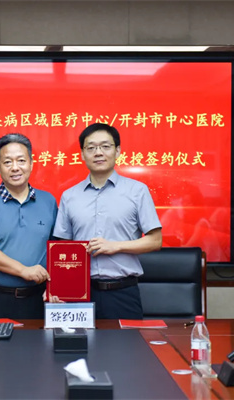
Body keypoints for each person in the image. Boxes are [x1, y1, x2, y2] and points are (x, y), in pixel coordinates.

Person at [53, 123, 162, 319]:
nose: (98, 153)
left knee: (127, 341)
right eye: (91, 148)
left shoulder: (137, 191)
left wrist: (116, 246)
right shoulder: (69, 196)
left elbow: (155, 240)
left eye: (105, 146)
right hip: (79, 293)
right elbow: (63, 246)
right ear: (82, 154)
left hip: (123, 292)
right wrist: (59, 288)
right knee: (78, 340)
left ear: (117, 151)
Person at [0, 133, 57, 319]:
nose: (15, 167)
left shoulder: (48, 201)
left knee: (41, 340)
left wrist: (56, 286)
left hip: (39, 298)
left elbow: (58, 247)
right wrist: (24, 270)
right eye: (7, 162)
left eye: (21, 160)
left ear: (31, 164)